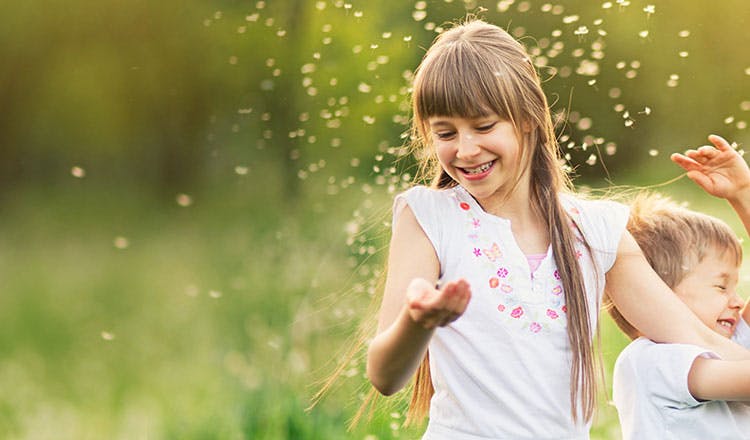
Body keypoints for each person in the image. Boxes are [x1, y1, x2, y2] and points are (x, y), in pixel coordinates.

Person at [363, 18, 750, 439]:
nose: (466, 149)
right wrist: (417, 323)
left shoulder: (594, 231)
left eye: (484, 126)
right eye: (445, 133)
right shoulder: (430, 217)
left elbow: (698, 338)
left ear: (528, 117)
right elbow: (384, 376)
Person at [606, 190, 750, 439]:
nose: (737, 302)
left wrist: (742, 192)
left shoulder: (727, 343)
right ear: (660, 294)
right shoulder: (652, 360)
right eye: (721, 286)